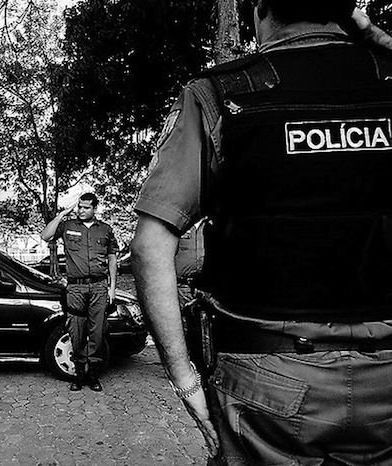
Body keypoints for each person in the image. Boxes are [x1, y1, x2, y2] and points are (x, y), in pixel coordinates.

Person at [132, 1, 392, 464]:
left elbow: (152, 241)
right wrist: (374, 35)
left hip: (270, 379)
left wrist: (184, 377)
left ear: (259, 10)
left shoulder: (220, 93)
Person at [41, 193, 119, 391]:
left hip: (99, 287)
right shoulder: (68, 226)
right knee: (76, 330)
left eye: (85, 207)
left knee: (98, 331)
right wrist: (62, 214)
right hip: (76, 287)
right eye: (79, 207)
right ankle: (79, 374)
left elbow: (112, 259)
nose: (81, 210)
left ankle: (93, 374)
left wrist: (112, 288)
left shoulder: (105, 230)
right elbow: (45, 235)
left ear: (94, 208)